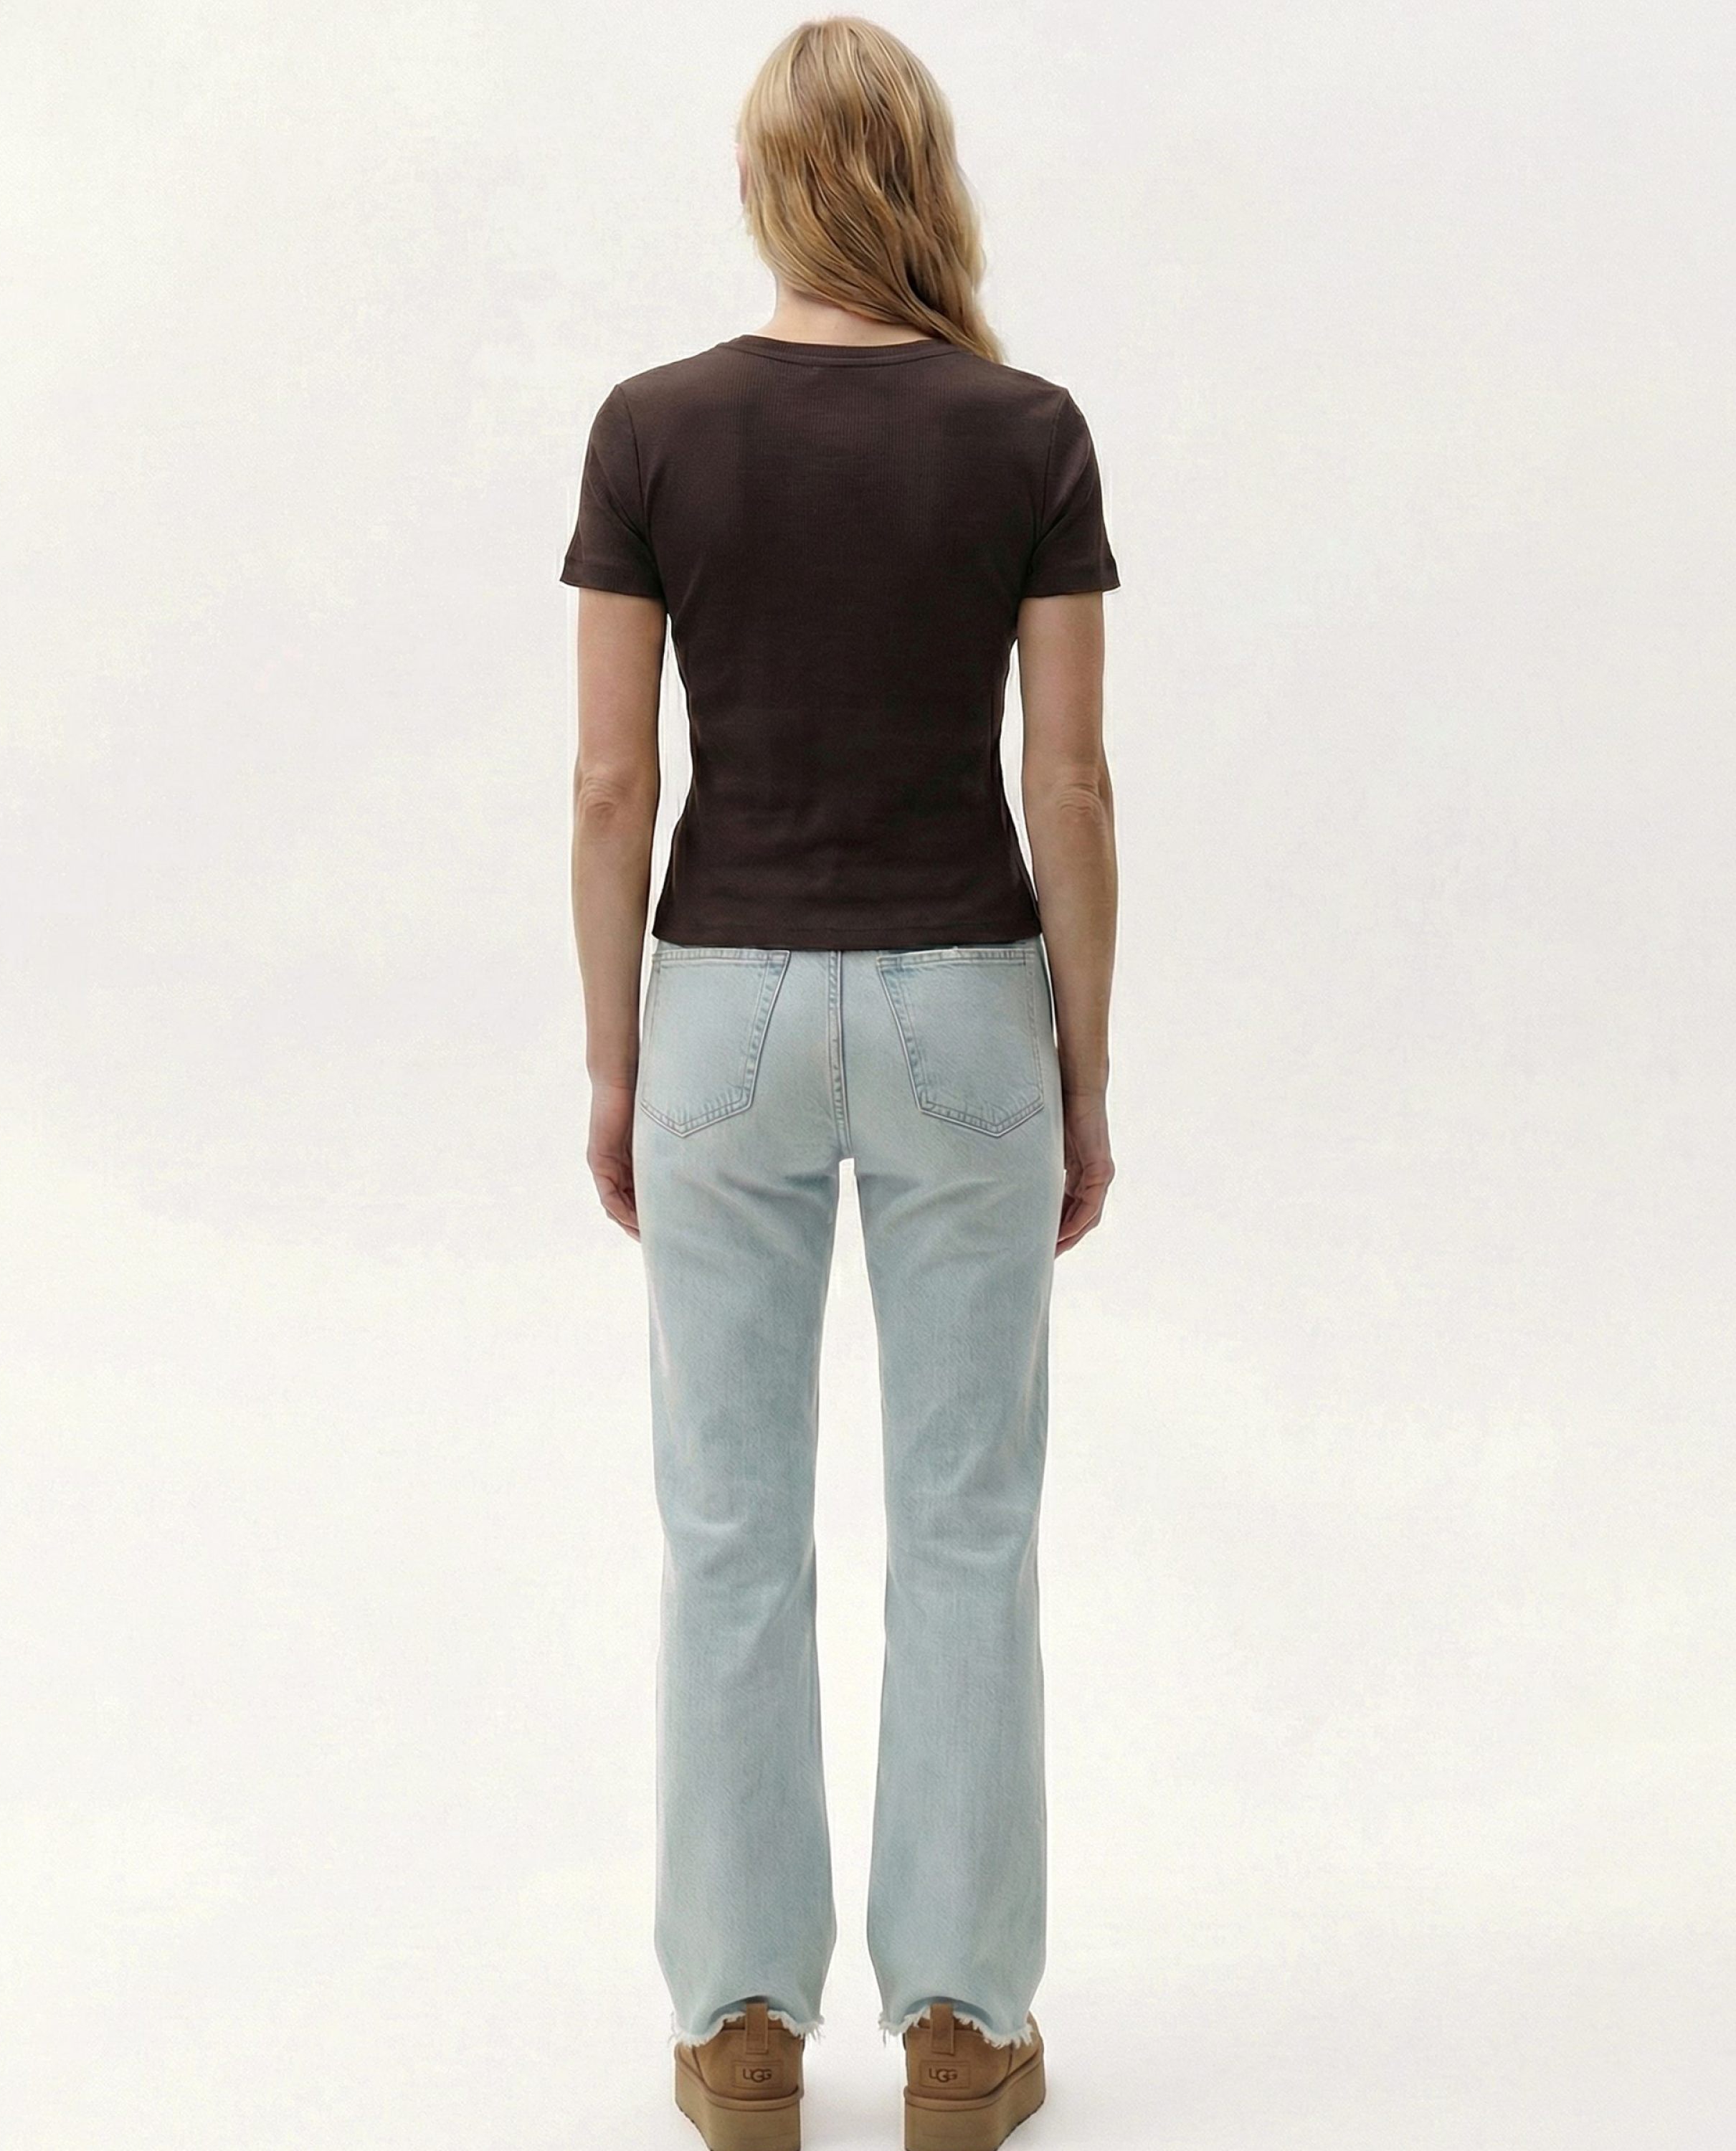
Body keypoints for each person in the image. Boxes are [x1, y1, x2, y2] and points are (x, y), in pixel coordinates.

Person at [561, 18, 1118, 2150]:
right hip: (966, 996)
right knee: (966, 1523)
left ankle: (740, 2032)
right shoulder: (1025, 431)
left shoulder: (653, 429)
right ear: (922, 178)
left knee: (728, 1529)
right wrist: (1083, 1065)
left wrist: (615, 1055)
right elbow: (1068, 781)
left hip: (721, 1007)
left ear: (766, 185)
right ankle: (963, 2028)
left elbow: (612, 783)